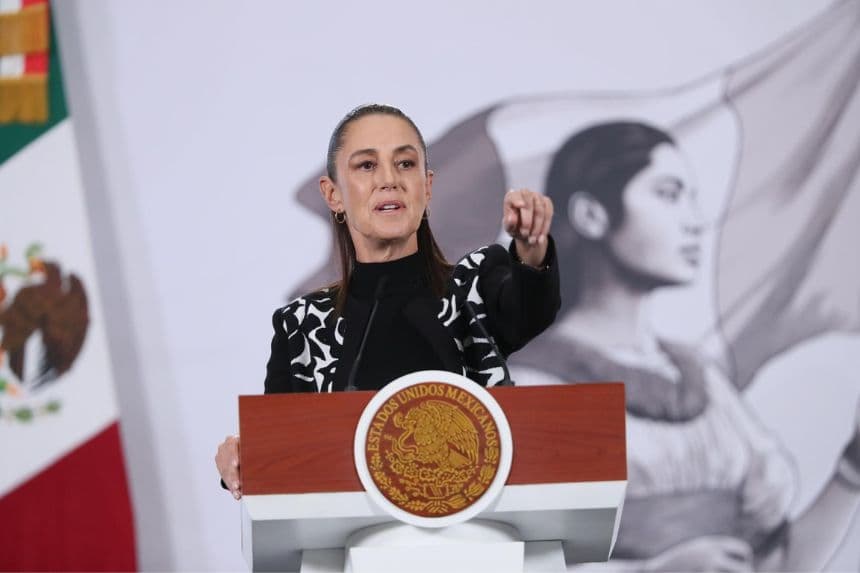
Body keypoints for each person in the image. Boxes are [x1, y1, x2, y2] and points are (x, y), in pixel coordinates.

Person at [510, 121, 860, 571]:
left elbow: (778, 562)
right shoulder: (545, 382)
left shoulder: (703, 382)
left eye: (692, 198)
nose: (695, 221)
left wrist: (852, 469)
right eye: (669, 194)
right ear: (592, 215)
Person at [215, 104, 560, 499]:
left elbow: (532, 308)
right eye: (366, 166)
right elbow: (280, 455)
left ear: (427, 187)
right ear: (333, 195)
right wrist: (240, 461)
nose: (389, 180)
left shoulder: (475, 287)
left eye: (406, 164)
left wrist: (532, 250)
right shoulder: (302, 326)